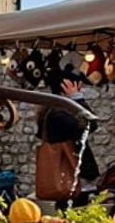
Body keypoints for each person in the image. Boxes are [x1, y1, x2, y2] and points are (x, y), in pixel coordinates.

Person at [36, 67, 100, 199]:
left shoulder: (54, 111)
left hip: (71, 174)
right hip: (70, 174)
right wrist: (78, 99)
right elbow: (90, 124)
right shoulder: (58, 114)